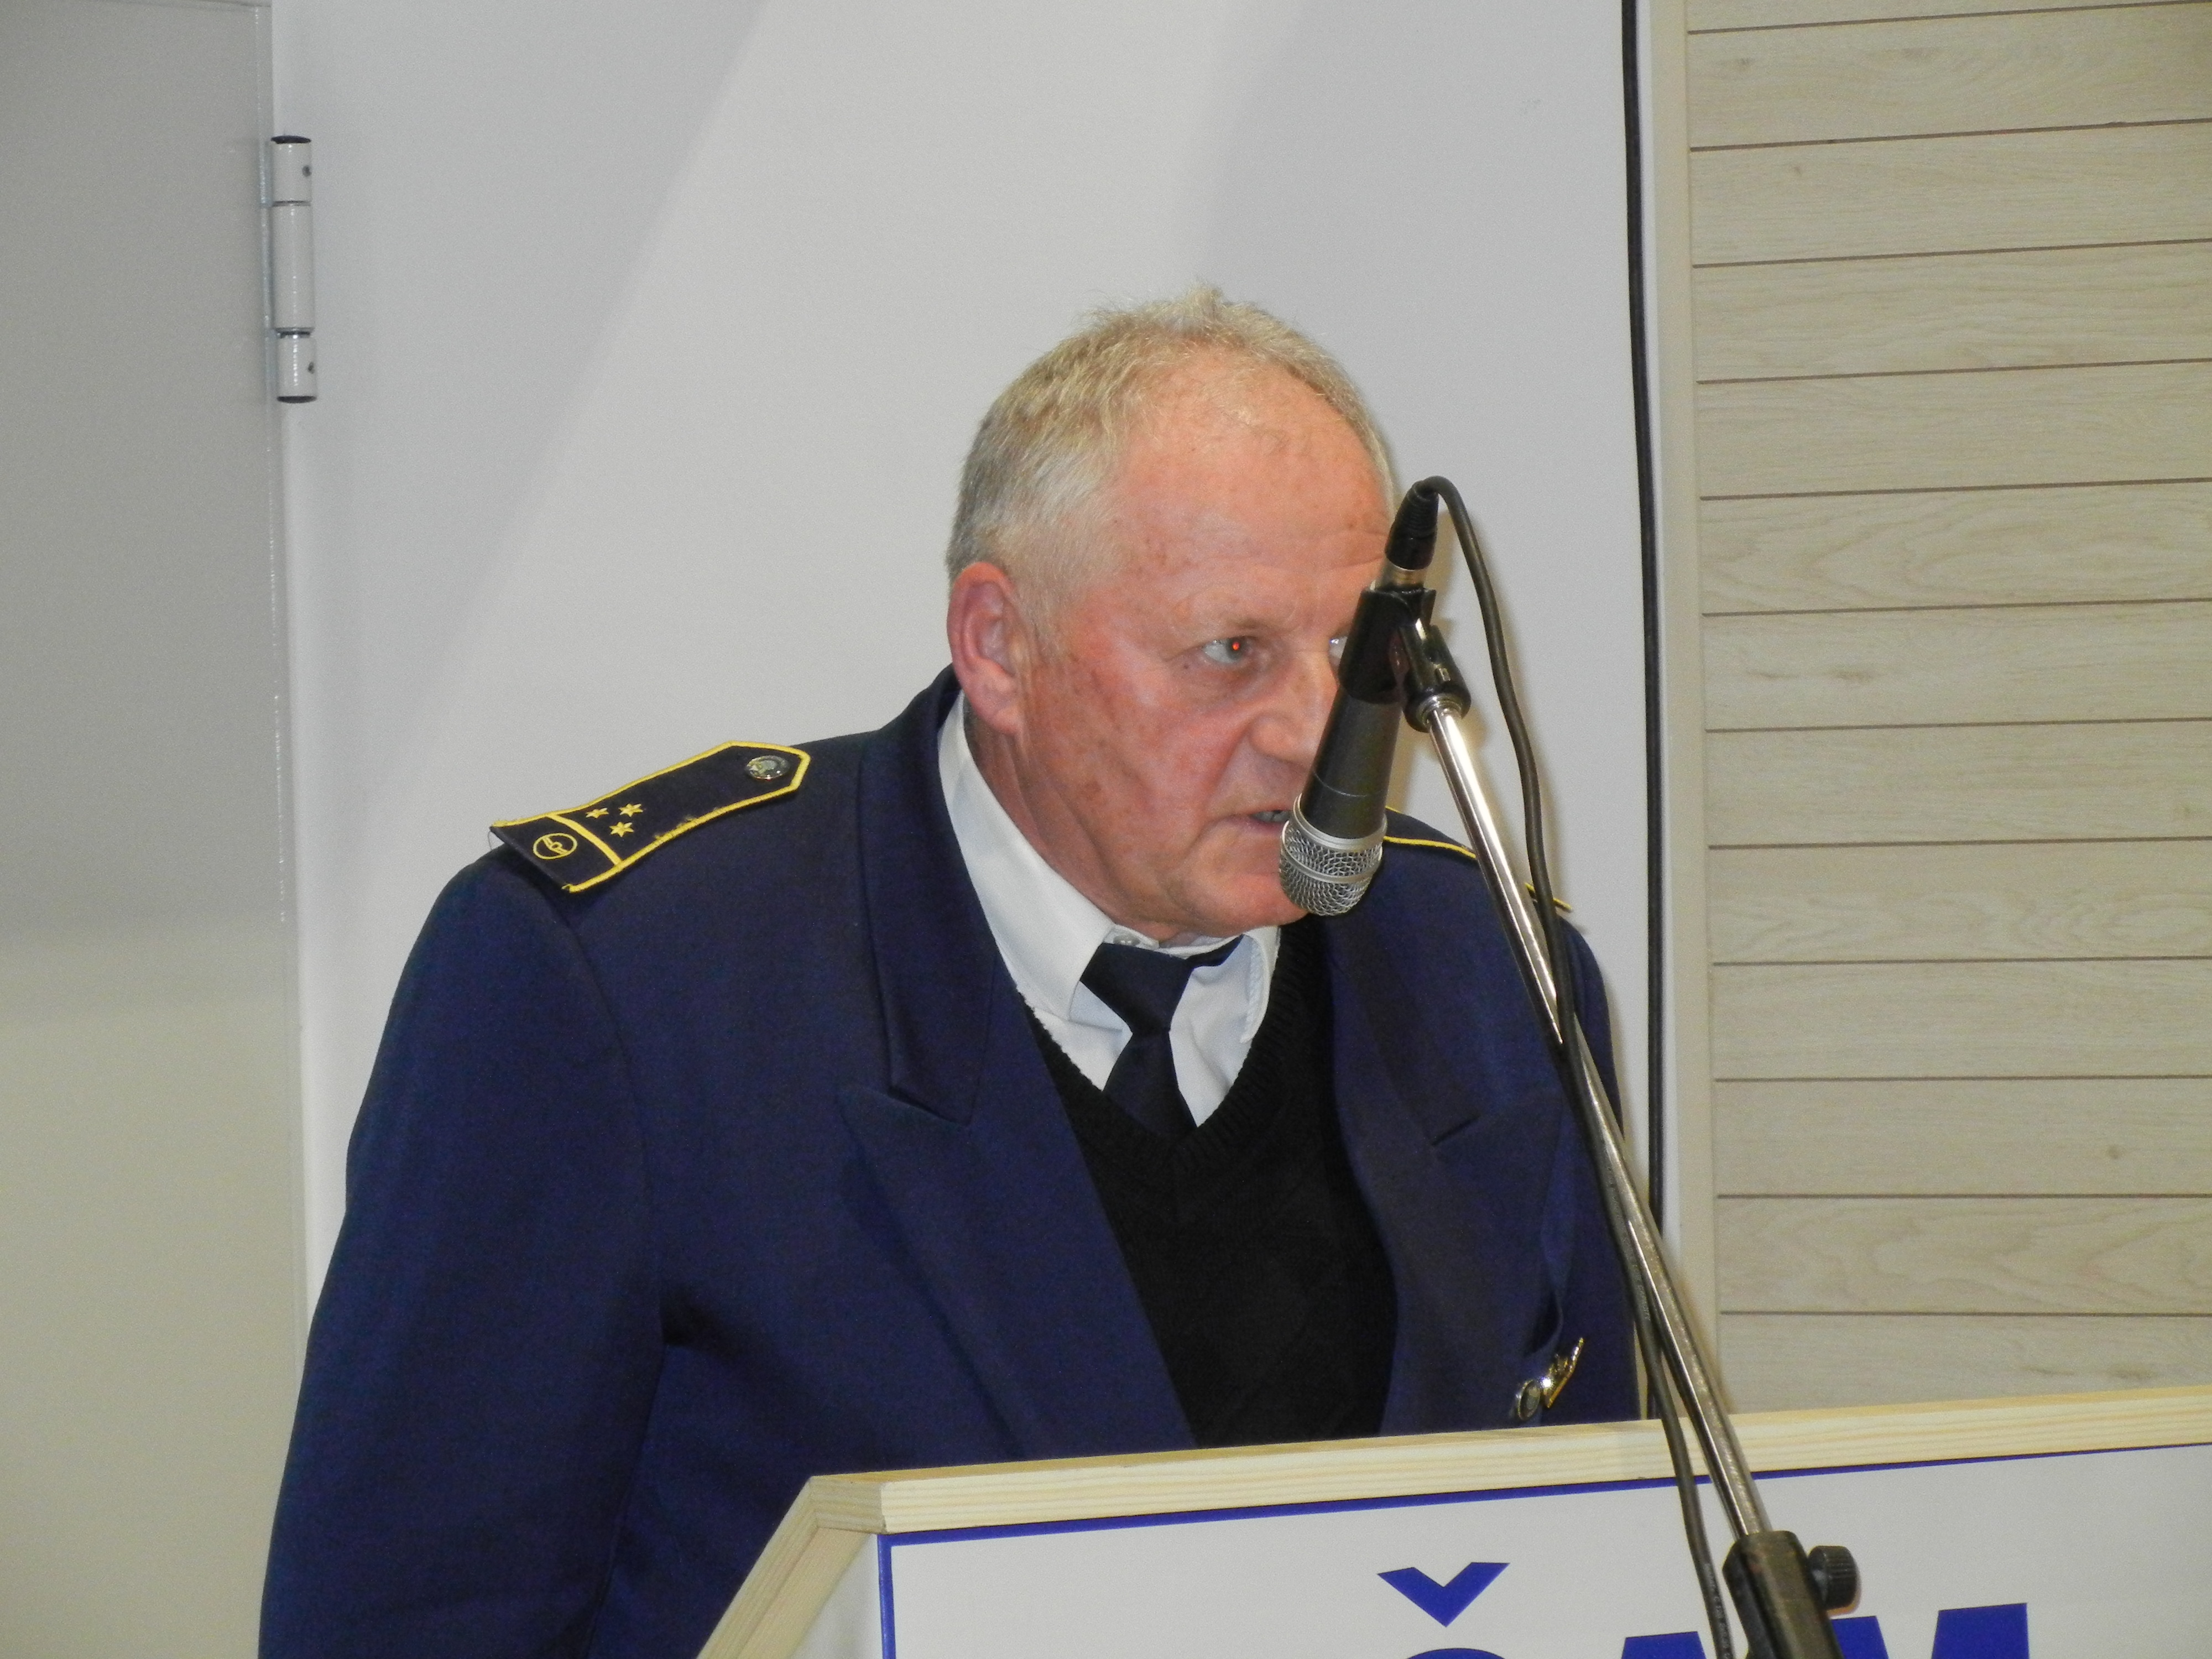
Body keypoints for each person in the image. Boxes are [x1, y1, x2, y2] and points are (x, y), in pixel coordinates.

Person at [260, 289, 1633, 1659]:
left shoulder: (1491, 975)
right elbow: (406, 1623)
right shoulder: (623, 988)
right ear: (997, 648)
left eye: (1352, 654)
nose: (1310, 734)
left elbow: (1597, 1559)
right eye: (1231, 654)